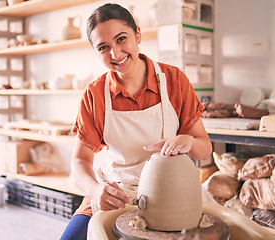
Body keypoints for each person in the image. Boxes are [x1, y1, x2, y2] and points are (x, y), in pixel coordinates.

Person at [60, 3, 212, 240]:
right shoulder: (95, 94)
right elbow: (79, 161)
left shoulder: (174, 80)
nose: (115, 54)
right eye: (103, 47)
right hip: (116, 192)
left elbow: (205, 148)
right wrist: (95, 189)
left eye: (121, 39)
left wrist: (188, 140)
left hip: (172, 191)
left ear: (137, 34)